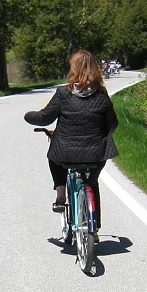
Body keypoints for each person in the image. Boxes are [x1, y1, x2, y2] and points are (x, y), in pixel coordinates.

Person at [24, 49, 118, 234]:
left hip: (65, 153)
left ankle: (60, 194)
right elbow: (113, 124)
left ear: (73, 68)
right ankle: (95, 227)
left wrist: (28, 116)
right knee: (91, 183)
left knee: (53, 156)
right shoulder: (101, 94)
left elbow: (44, 118)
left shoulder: (63, 93)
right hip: (96, 153)